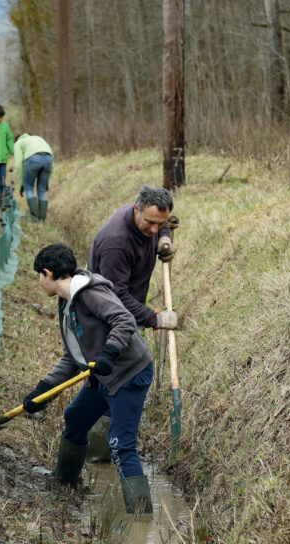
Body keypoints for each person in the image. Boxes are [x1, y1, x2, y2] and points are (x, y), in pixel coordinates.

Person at [24, 243, 156, 513]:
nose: (39, 282)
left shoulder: (90, 293)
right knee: (75, 418)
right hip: (102, 375)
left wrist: (109, 353)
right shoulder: (66, 303)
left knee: (120, 443)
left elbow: (125, 320)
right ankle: (65, 486)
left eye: (38, 276)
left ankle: (141, 518)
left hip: (129, 374)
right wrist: (44, 390)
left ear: (47, 273)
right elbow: (72, 357)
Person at [85, 185, 180, 461]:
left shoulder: (150, 221)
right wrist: (154, 318)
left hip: (125, 313)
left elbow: (161, 224)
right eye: (150, 223)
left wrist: (163, 238)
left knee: (121, 376)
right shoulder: (117, 242)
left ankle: (108, 442)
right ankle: (98, 454)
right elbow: (118, 297)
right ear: (136, 209)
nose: (154, 229)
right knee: (108, 377)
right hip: (104, 319)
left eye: (160, 223)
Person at [13, 133, 53, 222]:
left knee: (29, 188)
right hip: (48, 158)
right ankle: (42, 220)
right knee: (42, 189)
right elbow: (50, 155)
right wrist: (46, 182)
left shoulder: (18, 143)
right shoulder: (38, 137)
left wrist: (21, 184)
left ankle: (35, 220)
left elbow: (18, 164)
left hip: (33, 159)